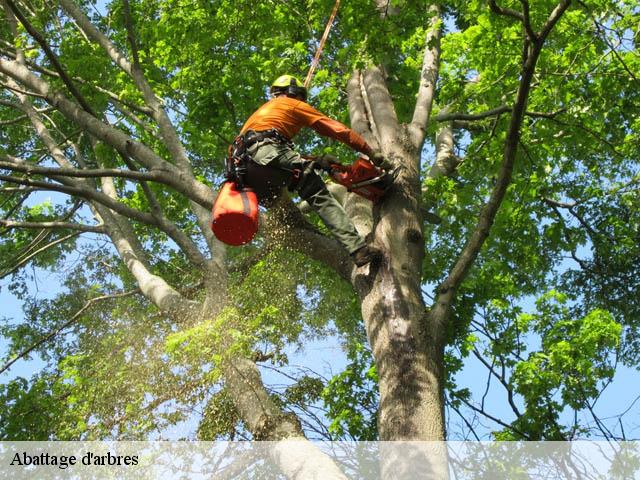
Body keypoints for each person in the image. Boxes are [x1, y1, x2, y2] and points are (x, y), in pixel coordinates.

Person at [232, 74, 384, 267]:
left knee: (292, 206)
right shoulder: (293, 104)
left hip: (246, 175)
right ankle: (358, 249)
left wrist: (319, 161)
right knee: (317, 193)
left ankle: (304, 233)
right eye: (302, 97)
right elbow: (336, 130)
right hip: (267, 155)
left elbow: (277, 155)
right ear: (293, 92)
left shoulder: (261, 116)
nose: (303, 102)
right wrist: (369, 151)